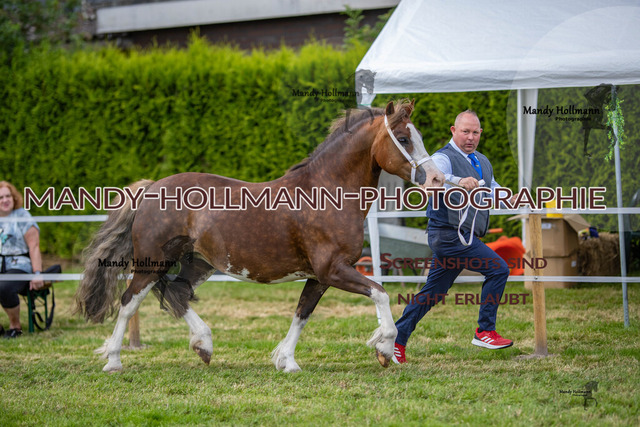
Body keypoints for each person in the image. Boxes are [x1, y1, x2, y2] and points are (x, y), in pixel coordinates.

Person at [393, 110, 515, 364]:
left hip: (462, 237)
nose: (470, 137)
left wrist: (511, 198)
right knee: (498, 269)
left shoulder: (482, 161)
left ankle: (395, 339)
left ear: (480, 134)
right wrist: (458, 180)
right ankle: (485, 331)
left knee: (433, 293)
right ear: (453, 131)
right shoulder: (443, 158)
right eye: (465, 131)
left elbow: (493, 190)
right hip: (449, 236)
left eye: (475, 132)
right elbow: (431, 177)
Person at [0, 181, 44, 338]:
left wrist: (37, 273)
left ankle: (15, 326)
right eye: (1, 197)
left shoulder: (22, 216)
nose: (5, 200)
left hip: (19, 265)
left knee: (4, 287)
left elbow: (34, 246)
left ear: (13, 197)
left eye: (8, 196)